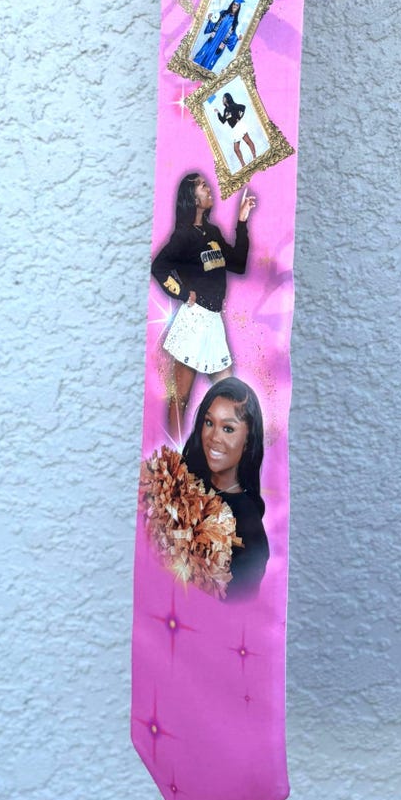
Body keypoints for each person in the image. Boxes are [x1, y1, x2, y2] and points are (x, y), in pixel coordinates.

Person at [151, 173, 255, 437]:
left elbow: (238, 264)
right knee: (181, 398)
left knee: (232, 396)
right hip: (194, 321)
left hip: (213, 322)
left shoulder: (213, 232)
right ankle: (173, 455)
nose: (209, 189)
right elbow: (159, 266)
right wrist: (182, 292)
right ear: (192, 198)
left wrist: (242, 222)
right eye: (202, 186)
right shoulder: (184, 236)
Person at [183, 378, 269, 598]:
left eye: (228, 429)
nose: (214, 438)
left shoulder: (250, 531)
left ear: (248, 440)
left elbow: (238, 608)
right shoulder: (182, 482)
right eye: (209, 422)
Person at [194, 0, 243, 73]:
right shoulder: (223, 13)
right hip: (213, 39)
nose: (235, 6)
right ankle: (194, 67)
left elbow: (233, 36)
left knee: (212, 58)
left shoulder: (235, 23)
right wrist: (210, 19)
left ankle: (203, 74)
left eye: (237, 5)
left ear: (238, 8)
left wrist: (237, 38)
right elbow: (214, 21)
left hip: (221, 44)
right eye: (234, 4)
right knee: (203, 52)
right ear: (231, 4)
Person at [217, 91, 256, 167]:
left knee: (248, 141)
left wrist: (239, 117)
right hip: (234, 129)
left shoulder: (233, 105)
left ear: (227, 98)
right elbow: (223, 121)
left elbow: (243, 107)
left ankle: (255, 157)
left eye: (223, 98)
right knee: (236, 149)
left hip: (239, 126)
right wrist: (218, 113)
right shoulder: (225, 110)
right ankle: (243, 164)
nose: (222, 99)